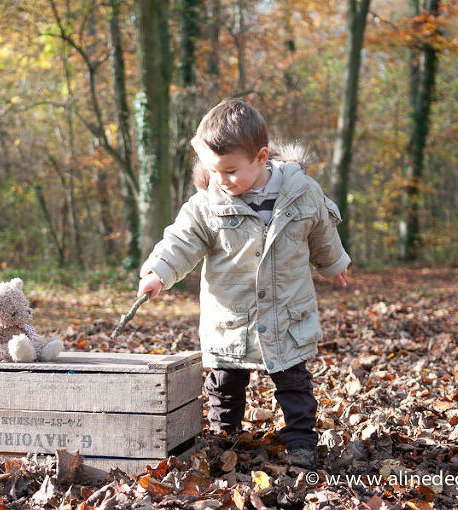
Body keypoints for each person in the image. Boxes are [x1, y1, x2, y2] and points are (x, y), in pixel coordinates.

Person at [137, 98, 350, 468]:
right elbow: (181, 241)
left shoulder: (301, 194)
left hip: (286, 311)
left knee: (293, 381)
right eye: (213, 171)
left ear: (261, 157)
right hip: (231, 315)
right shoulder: (207, 204)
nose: (221, 180)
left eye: (231, 171)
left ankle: (301, 440)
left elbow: (322, 231)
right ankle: (225, 436)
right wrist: (159, 272)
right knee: (225, 383)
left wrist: (334, 264)